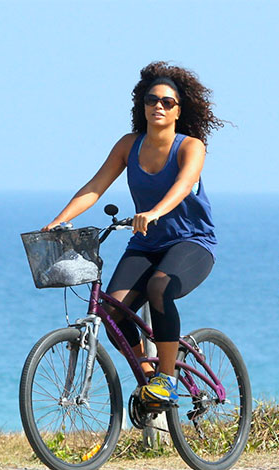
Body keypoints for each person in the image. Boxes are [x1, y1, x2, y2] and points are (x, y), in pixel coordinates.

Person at [43, 61, 221, 406]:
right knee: (110, 315)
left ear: (178, 110)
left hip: (192, 241)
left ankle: (167, 379)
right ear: (142, 105)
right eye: (152, 100)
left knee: (159, 288)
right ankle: (147, 375)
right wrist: (58, 221)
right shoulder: (129, 145)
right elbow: (95, 187)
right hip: (146, 243)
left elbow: (183, 186)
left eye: (167, 102)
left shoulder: (190, 146)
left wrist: (154, 212)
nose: (159, 106)